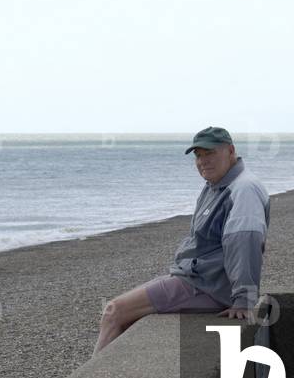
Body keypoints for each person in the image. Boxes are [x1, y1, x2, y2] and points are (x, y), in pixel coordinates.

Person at [94, 127, 270, 354]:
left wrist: (244, 300)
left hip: (207, 286)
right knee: (126, 315)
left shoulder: (243, 189)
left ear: (230, 151)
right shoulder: (216, 186)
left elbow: (245, 242)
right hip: (197, 278)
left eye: (210, 153)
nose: (203, 161)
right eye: (198, 155)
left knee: (113, 312)